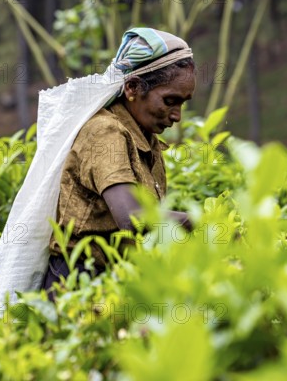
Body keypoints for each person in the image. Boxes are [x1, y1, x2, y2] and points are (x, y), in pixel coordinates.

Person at [41, 28, 196, 298]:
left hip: (112, 282)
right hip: (76, 286)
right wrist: (200, 223)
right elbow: (133, 218)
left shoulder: (145, 135)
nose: (176, 116)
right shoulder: (105, 132)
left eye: (182, 104)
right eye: (170, 101)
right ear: (133, 87)